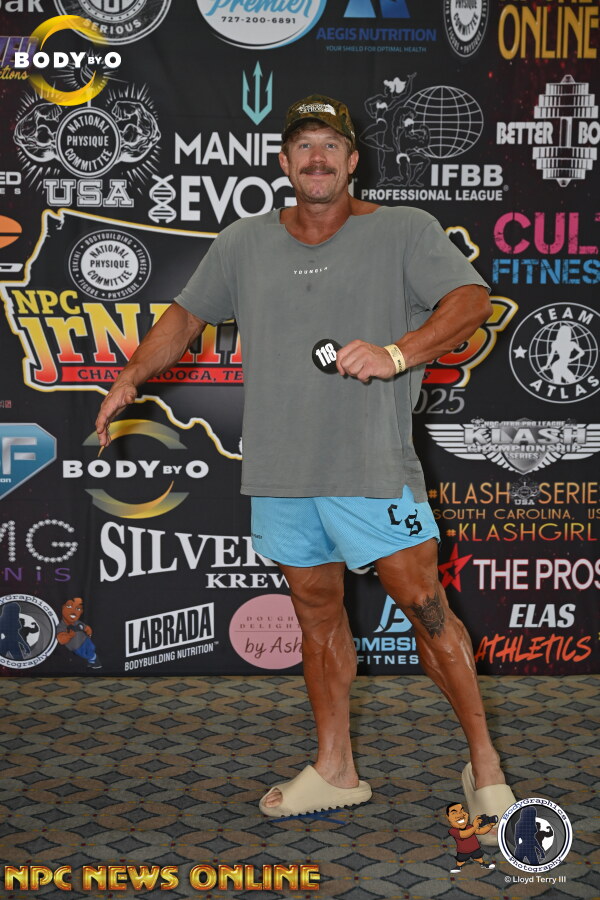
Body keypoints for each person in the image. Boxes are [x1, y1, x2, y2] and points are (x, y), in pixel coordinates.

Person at [95, 94, 515, 828]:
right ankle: (335, 768)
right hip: (282, 470)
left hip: (372, 464)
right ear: (285, 162)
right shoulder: (243, 241)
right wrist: (132, 374)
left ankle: (485, 765)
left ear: (352, 161)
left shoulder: (405, 230)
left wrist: (396, 354)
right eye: (303, 146)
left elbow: (471, 301)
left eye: (330, 146)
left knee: (425, 608)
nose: (317, 158)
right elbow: (187, 315)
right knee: (316, 616)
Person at [445, 802, 496, 873]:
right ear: (448, 817)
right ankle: (458, 867)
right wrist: (475, 826)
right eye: (454, 813)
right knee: (460, 860)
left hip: (475, 848)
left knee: (479, 857)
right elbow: (464, 835)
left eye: (462, 811)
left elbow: (480, 831)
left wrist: (490, 825)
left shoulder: (470, 827)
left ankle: (483, 864)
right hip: (463, 851)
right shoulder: (453, 830)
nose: (460, 815)